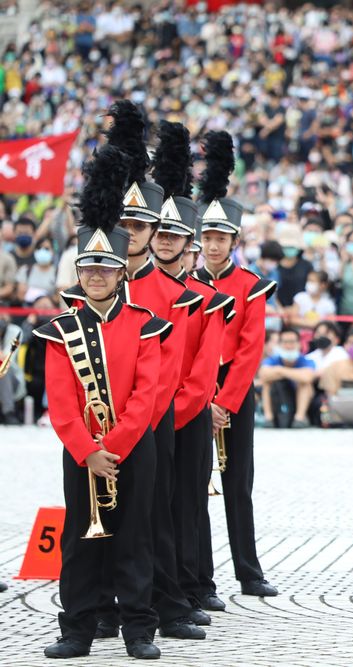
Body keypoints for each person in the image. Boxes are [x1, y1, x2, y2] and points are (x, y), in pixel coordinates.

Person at [66, 101, 207, 642]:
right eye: (123, 222)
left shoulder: (173, 292)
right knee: (94, 519)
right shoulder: (92, 286)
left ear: (153, 229)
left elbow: (167, 369)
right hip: (98, 424)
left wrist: (139, 423)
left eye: (139, 224)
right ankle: (99, 607)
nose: (130, 231)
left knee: (155, 516)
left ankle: (163, 603)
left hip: (154, 419)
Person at [35, 143, 168, 660]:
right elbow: (61, 400)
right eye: (87, 269)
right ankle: (78, 629)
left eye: (104, 269)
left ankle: (139, 629)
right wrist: (87, 449)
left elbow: (147, 393)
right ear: (79, 274)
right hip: (82, 452)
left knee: (136, 537)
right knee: (79, 542)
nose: (95, 276)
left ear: (121, 274)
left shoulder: (145, 326)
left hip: (132, 448)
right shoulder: (60, 332)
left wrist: (114, 444)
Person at [150, 120, 235, 624]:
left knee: (187, 507)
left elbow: (205, 370)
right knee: (152, 510)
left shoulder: (208, 300)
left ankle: (187, 587)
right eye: (159, 234)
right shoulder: (135, 292)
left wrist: (178, 411)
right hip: (149, 419)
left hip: (186, 415)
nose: (165, 243)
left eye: (175, 237)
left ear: (190, 246)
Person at [193, 130, 280, 602]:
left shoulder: (249, 284)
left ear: (233, 240)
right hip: (193, 393)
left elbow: (250, 349)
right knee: (193, 487)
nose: (211, 244)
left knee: (237, 484)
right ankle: (201, 578)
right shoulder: (186, 285)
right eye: (205, 235)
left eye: (219, 236)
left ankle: (248, 571)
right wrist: (202, 398)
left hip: (232, 391)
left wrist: (224, 402)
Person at [259, 327, 316, 428]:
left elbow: (307, 377)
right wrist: (295, 374)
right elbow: (263, 375)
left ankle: (300, 418)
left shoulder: (306, 360)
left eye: (292, 342)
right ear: (280, 344)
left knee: (305, 384)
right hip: (278, 397)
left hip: (299, 397)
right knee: (267, 383)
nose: (289, 346)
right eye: (285, 342)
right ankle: (268, 418)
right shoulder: (272, 360)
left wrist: (280, 370)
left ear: (299, 344)